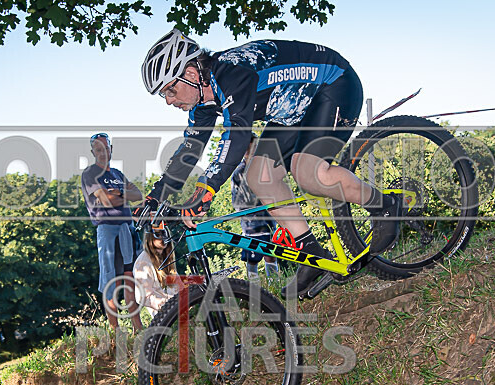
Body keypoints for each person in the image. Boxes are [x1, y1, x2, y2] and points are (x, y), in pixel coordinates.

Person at [139, 30, 405, 298]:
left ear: (192, 74)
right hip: (292, 108)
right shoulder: (204, 102)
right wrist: (155, 196)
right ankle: (311, 254)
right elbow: (190, 149)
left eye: (170, 89)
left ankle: (384, 206)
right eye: (165, 95)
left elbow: (238, 133)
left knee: (309, 174)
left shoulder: (232, 72)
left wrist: (206, 189)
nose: (169, 100)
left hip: (333, 84)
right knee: (259, 176)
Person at [81, 133, 144, 332]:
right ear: (93, 152)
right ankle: (115, 331)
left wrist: (119, 194)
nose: (103, 153)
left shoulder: (117, 174)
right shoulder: (90, 174)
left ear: (111, 149)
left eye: (106, 148)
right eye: (98, 149)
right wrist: (121, 195)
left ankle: (137, 328)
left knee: (129, 279)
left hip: (127, 228)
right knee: (110, 282)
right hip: (108, 230)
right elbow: (106, 200)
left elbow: (138, 194)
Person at [231, 137, 279, 280]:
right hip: (251, 223)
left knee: (270, 255)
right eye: (248, 150)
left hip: (269, 220)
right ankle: (252, 289)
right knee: (252, 257)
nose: (252, 153)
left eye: (255, 148)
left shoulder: (266, 168)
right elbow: (238, 203)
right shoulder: (239, 173)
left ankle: (275, 284)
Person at [133, 223, 178, 317]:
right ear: (150, 236)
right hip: (164, 317)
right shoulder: (143, 263)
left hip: (177, 311)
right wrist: (169, 304)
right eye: (158, 234)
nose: (163, 237)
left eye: (164, 233)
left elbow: (178, 287)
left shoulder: (167, 258)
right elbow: (142, 297)